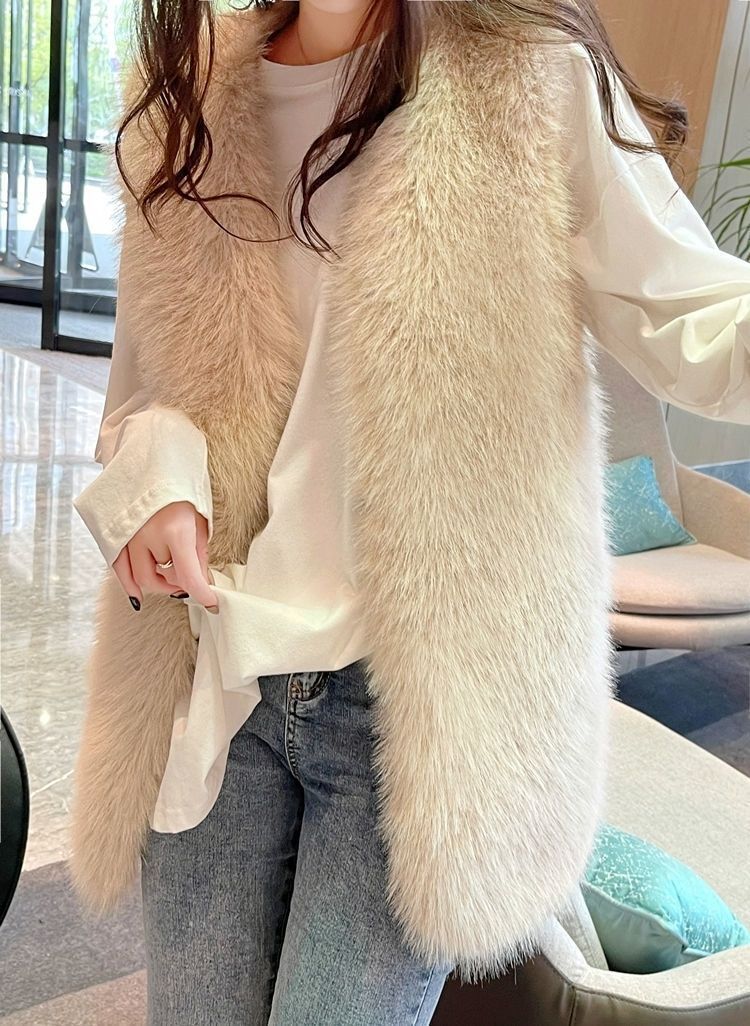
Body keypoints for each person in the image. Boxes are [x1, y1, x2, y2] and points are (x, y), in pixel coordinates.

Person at [69, 1, 750, 1024]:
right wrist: (159, 481)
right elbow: (137, 401)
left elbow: (698, 322)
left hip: (419, 706)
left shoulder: (527, 76)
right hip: (217, 673)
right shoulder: (188, 96)